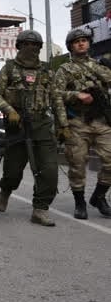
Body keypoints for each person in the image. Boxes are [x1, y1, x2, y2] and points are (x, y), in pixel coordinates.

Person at [0, 29, 60, 227]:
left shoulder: (47, 71)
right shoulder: (10, 69)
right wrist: (9, 110)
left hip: (42, 124)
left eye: (35, 45)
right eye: (26, 44)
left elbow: (56, 100)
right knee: (13, 172)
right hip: (17, 125)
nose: (31, 48)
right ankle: (6, 190)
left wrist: (63, 125)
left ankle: (40, 209)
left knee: (49, 170)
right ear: (19, 46)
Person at [53, 27, 111, 219]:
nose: (81, 43)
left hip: (102, 121)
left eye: (84, 40)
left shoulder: (101, 66)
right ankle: (80, 203)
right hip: (78, 122)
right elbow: (55, 94)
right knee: (77, 164)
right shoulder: (65, 69)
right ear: (70, 46)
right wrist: (76, 94)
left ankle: (99, 196)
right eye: (77, 41)